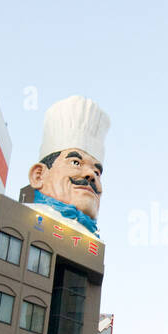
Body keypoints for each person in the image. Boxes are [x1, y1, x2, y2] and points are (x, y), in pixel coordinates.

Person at [21, 96, 111, 238]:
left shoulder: (93, 242)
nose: (91, 175)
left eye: (97, 172)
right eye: (76, 162)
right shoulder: (20, 220)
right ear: (38, 175)